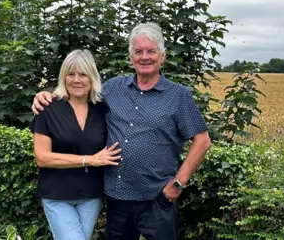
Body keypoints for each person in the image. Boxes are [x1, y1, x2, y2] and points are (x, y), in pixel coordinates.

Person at [31, 22, 211, 240]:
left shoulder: (178, 96)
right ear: (131, 58)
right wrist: (45, 95)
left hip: (157, 198)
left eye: (151, 51)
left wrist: (178, 184)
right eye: (138, 52)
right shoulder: (112, 89)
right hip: (117, 199)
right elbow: (78, 92)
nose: (145, 57)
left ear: (162, 57)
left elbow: (202, 140)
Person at [29, 49, 121, 240]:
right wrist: (90, 160)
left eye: (83, 74)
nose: (76, 80)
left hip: (91, 195)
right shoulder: (48, 107)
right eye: (71, 74)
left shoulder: (103, 109)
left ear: (92, 77)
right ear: (64, 77)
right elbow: (42, 157)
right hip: (57, 195)